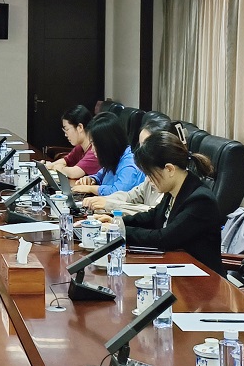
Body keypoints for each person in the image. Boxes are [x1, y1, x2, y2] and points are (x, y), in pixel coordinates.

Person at [125, 131, 224, 273]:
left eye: (150, 174)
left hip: (203, 277)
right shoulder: (174, 190)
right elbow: (152, 216)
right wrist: (117, 222)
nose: (149, 180)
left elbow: (164, 238)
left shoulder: (200, 201)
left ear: (169, 169)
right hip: (177, 267)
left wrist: (123, 231)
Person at [81, 112, 178, 213]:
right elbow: (130, 196)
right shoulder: (150, 177)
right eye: (140, 145)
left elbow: (152, 213)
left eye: (146, 146)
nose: (139, 153)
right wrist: (104, 199)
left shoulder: (166, 180)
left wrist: (109, 203)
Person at [72, 112, 145, 196]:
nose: (92, 149)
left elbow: (118, 192)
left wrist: (91, 188)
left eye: (94, 144)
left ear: (106, 144)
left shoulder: (129, 165)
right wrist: (92, 179)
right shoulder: (114, 157)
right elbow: (100, 175)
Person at [44, 105, 100, 179]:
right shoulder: (80, 147)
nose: (65, 135)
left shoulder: (95, 150)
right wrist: (50, 165)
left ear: (80, 127)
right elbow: (66, 160)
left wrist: (60, 168)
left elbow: (74, 173)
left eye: (67, 129)